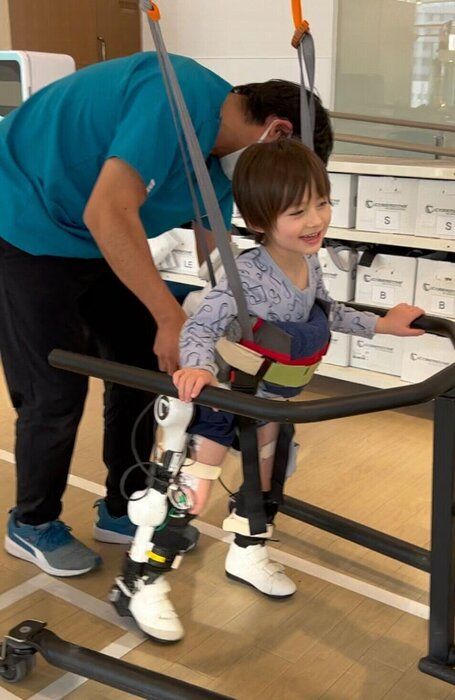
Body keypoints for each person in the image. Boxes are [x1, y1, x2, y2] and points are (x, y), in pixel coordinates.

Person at [0, 49, 333, 577]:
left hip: (91, 240)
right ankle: (33, 522)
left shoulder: (223, 160)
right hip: (21, 219)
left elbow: (216, 252)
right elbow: (107, 212)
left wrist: (229, 322)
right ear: (277, 132)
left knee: (140, 364)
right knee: (55, 386)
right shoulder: (172, 96)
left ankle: (122, 505)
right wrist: (169, 317)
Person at [134, 138, 424, 642]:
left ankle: (247, 553)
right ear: (259, 220)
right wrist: (197, 369)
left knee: (262, 485)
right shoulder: (245, 275)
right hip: (227, 398)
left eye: (322, 203)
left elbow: (327, 313)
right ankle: (146, 579)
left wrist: (384, 325)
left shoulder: (310, 261)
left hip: (271, 402)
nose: (315, 220)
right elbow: (200, 328)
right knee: (191, 494)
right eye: (297, 211)